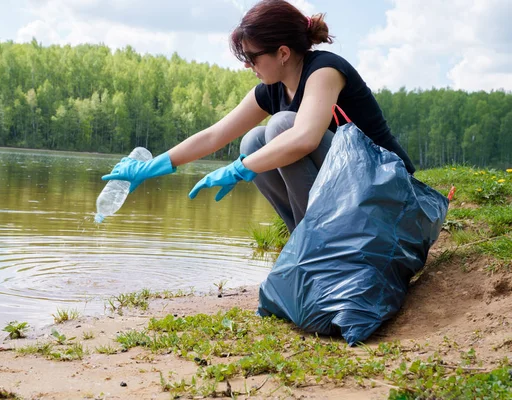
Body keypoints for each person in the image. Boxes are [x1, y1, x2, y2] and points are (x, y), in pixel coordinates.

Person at [102, 0, 415, 233]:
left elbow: (304, 138)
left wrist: (240, 169)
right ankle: (306, 237)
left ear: (282, 53)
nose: (246, 65)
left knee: (281, 127)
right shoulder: (272, 88)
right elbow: (214, 135)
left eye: (251, 57)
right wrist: (151, 167)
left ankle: (325, 238)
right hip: (350, 187)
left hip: (387, 187)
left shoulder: (325, 70)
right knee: (252, 140)